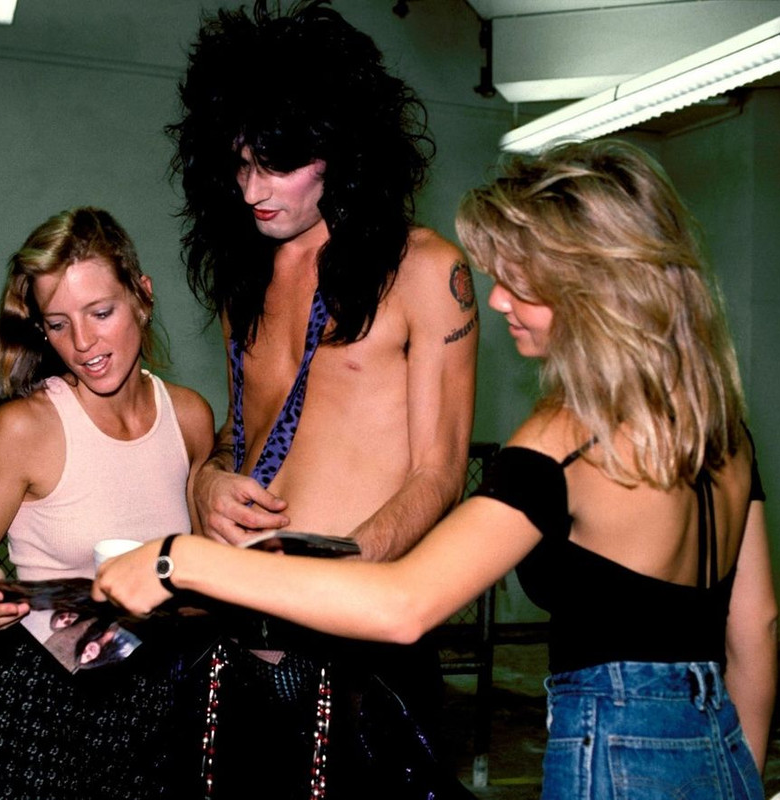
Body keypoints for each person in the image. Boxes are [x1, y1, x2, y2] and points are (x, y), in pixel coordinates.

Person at [94, 140, 779, 799]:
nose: (501, 300)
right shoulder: (720, 430)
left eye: (521, 281)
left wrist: (175, 562)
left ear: (594, 285)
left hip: (614, 758)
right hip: (716, 743)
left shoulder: (565, 435)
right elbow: (757, 630)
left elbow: (404, 605)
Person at [165, 1, 479, 796]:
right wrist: (206, 478)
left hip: (363, 639)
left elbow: (439, 472)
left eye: (274, 166)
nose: (251, 191)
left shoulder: (425, 269)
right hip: (243, 633)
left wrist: (347, 576)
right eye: (237, 166)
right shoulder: (248, 279)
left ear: (338, 150)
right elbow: (248, 430)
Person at [0, 206, 215, 800]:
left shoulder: (188, 417)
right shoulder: (25, 428)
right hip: (42, 705)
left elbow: (199, 567)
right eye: (57, 324)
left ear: (143, 295)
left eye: (101, 312)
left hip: (159, 694)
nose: (83, 343)